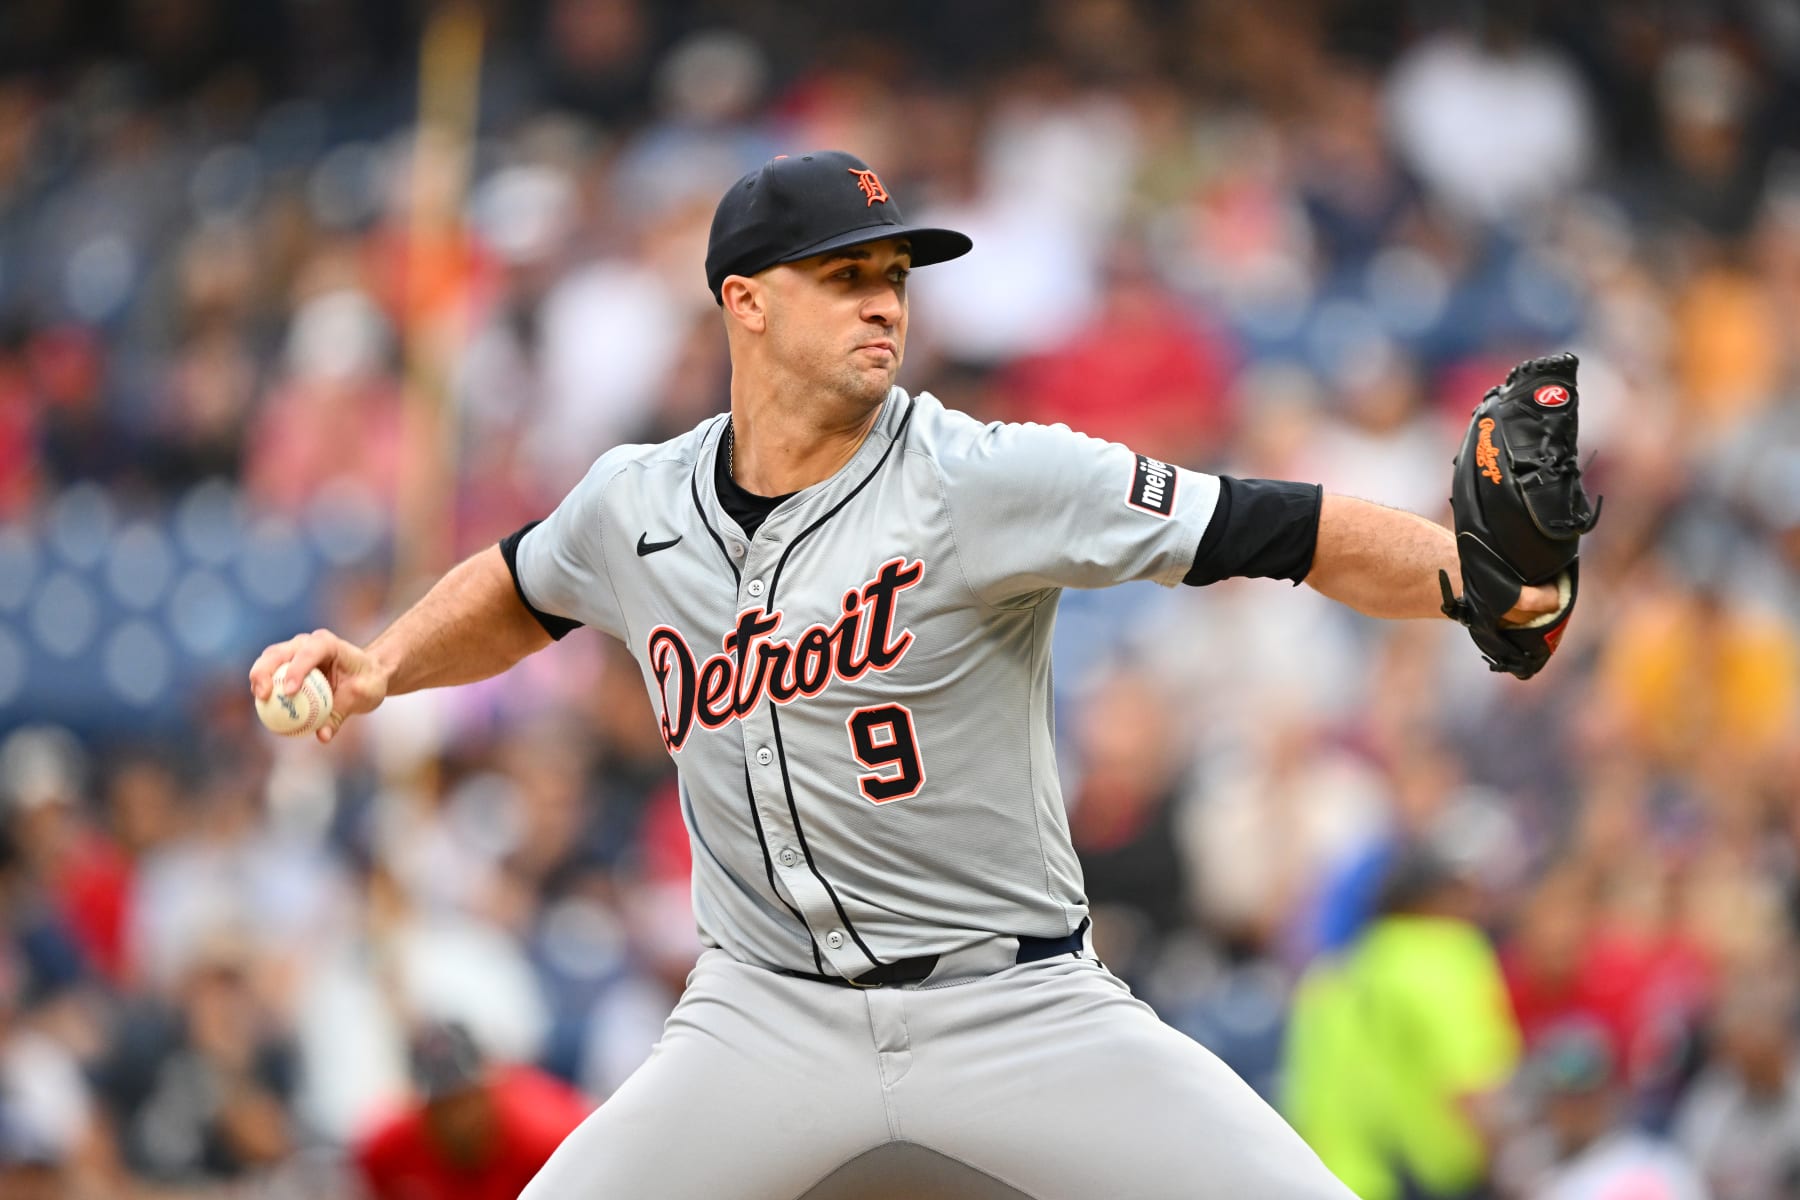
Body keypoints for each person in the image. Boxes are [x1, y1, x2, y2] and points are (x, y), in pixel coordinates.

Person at [250, 150, 1562, 1198]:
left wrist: (1475, 581)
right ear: (745, 301)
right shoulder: (632, 503)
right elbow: (523, 584)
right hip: (763, 1019)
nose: (886, 298)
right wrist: (381, 665)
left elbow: (1273, 524)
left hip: (1016, 1005)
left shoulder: (984, 476)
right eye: (844, 274)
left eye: (897, 273)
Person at [352, 1019, 591, 1200]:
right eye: (443, 1106)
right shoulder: (387, 1153)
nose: (458, 1118)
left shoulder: (551, 1139)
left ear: (489, 1087)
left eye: (466, 1099)